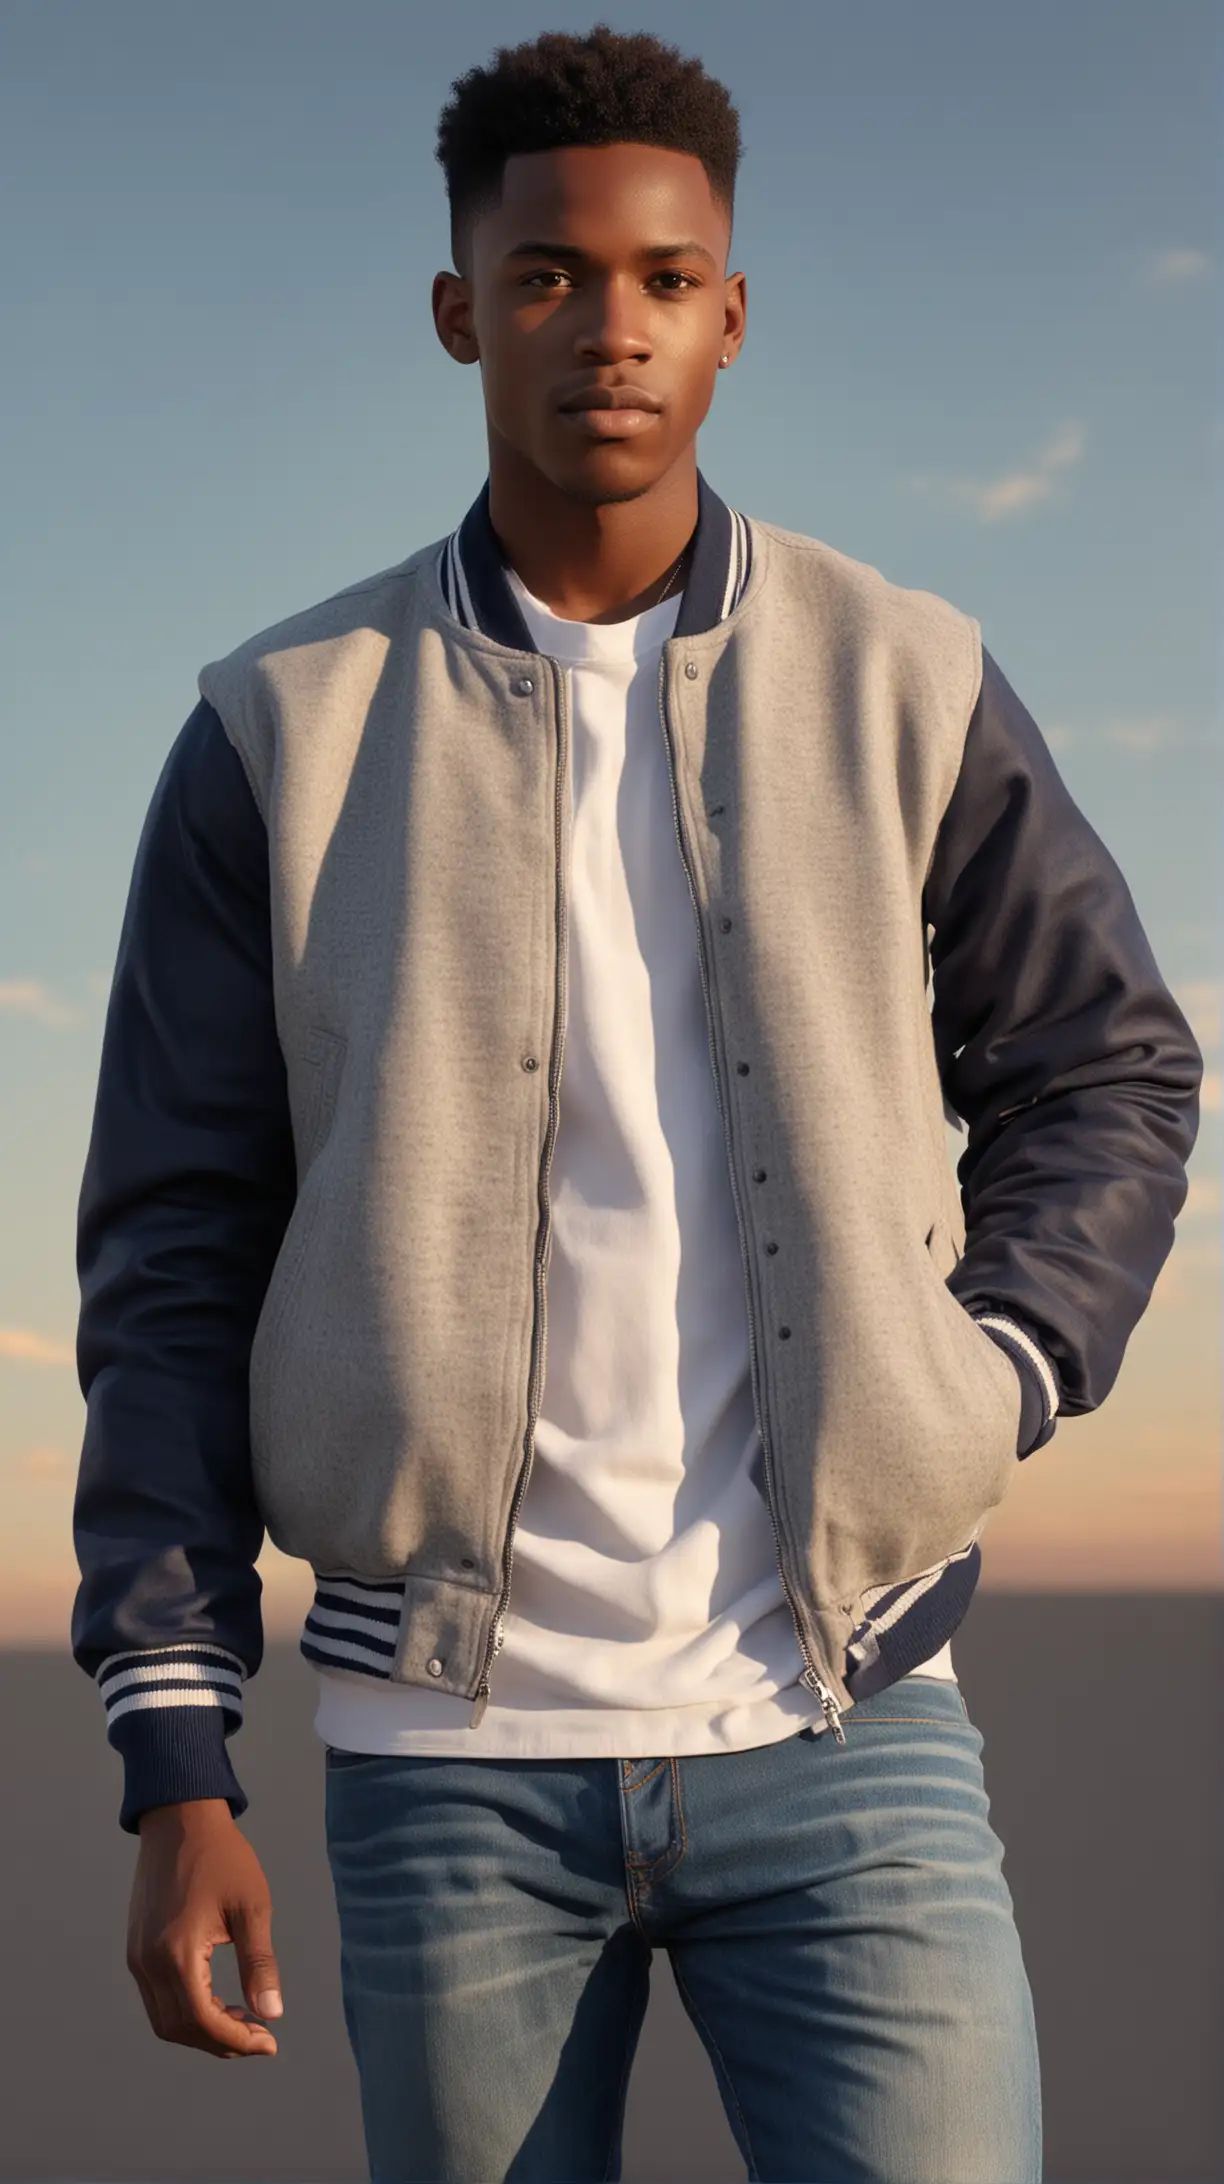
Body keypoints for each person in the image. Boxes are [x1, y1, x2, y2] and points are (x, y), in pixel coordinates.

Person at [70, 23, 1203, 2184]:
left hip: (846, 1727)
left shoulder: (908, 675)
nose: (614, 327)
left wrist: (997, 1372)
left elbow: (1111, 1065)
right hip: (445, 1767)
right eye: (552, 277)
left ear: (735, 311)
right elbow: (175, 1249)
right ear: (458, 308)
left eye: (668, 279)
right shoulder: (280, 734)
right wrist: (179, 1756)